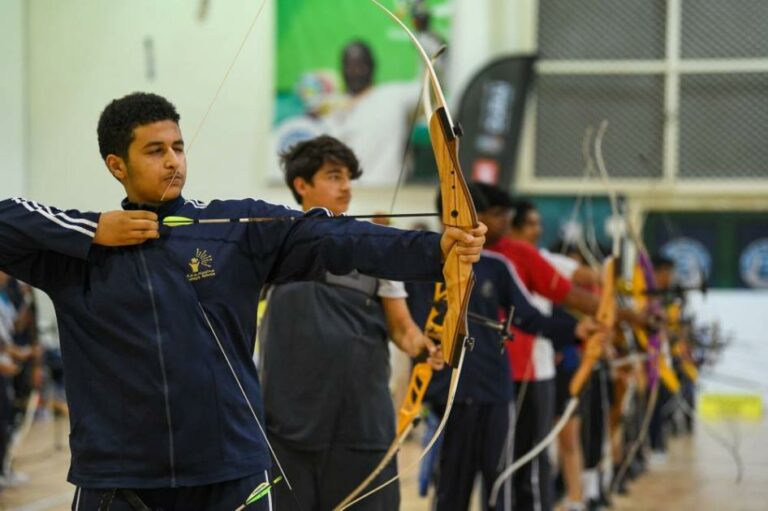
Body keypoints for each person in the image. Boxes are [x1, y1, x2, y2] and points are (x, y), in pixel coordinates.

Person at [0, 92, 486, 510]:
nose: (173, 161)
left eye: (178, 147)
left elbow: (331, 237)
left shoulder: (233, 229)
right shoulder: (79, 254)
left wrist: (436, 251)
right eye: (155, 150)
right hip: (118, 477)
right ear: (116, 165)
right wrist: (92, 230)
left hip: (229, 470)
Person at [258, 135, 443, 511]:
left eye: (348, 178)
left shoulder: (372, 247)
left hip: (361, 426)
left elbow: (402, 329)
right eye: (334, 176)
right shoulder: (269, 248)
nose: (346, 187)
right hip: (286, 429)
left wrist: (423, 347)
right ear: (301, 184)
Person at [409, 186, 598, 511]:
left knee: (499, 484)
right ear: (445, 216)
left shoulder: (496, 267)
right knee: (451, 489)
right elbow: (409, 326)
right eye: (463, 215)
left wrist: (575, 330)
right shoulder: (417, 268)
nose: (476, 224)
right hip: (447, 396)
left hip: (494, 393)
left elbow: (530, 318)